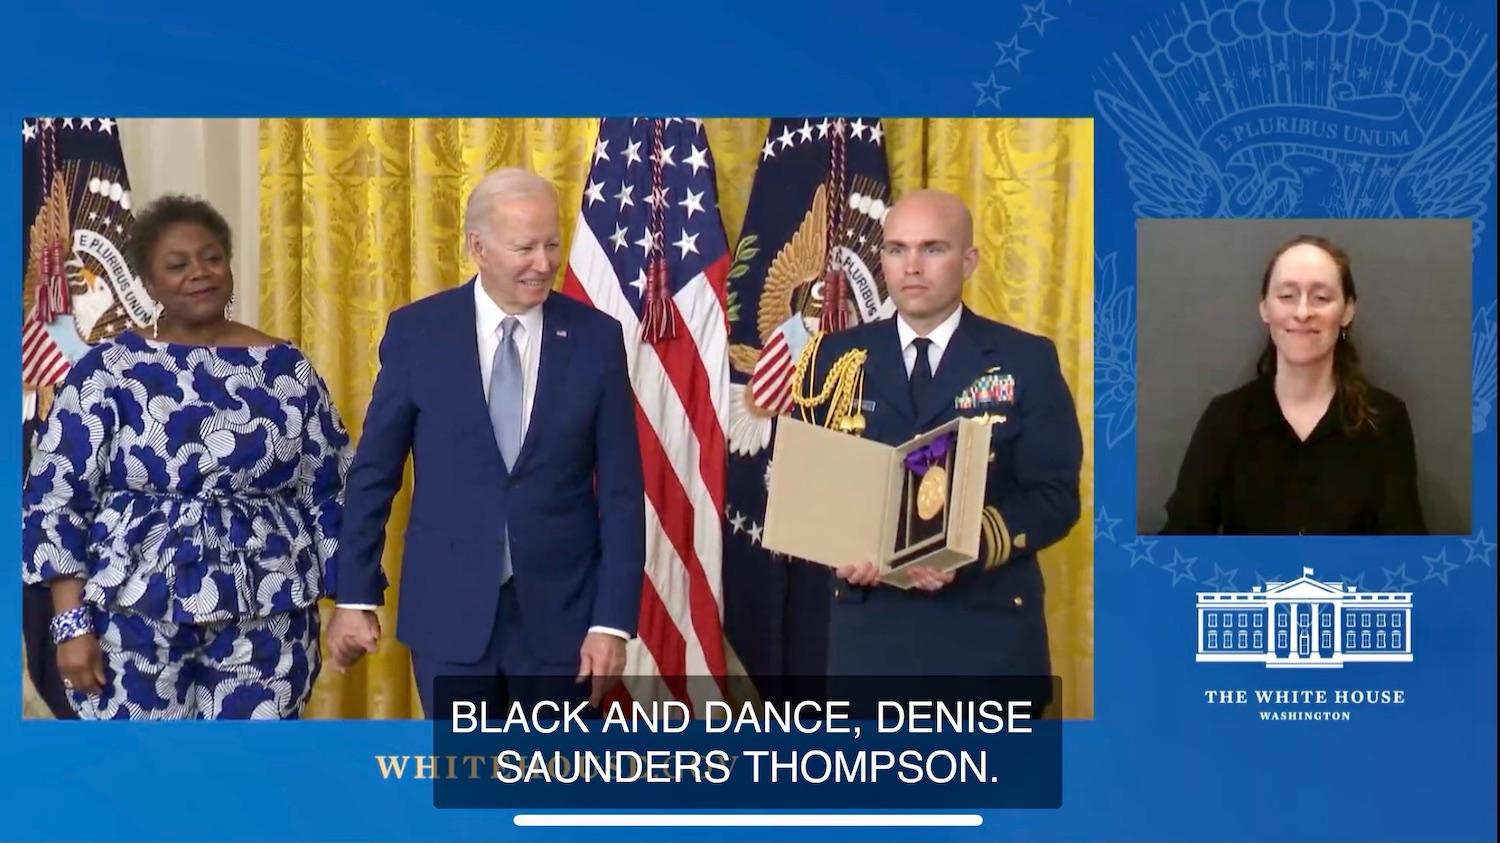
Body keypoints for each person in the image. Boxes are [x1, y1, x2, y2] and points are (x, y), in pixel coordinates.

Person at [327, 168, 645, 717]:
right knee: (469, 789)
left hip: (564, 623)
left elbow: (621, 494)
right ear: (478, 247)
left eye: (551, 244)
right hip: (448, 619)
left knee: (557, 792)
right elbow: (375, 473)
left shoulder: (596, 339)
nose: (544, 263)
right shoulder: (418, 333)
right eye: (525, 247)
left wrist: (610, 622)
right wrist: (354, 595)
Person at [20, 195, 349, 719]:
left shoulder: (289, 369)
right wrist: (70, 625)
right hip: (129, 618)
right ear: (149, 285)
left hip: (269, 616)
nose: (200, 273)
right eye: (178, 265)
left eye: (212, 257)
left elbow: (330, 491)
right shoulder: (109, 369)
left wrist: (350, 603)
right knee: (141, 783)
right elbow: (57, 499)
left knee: (251, 779)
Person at [797, 189, 1082, 681]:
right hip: (870, 640)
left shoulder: (1024, 360)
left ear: (968, 261)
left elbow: (1055, 497)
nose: (912, 266)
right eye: (896, 249)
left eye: (933, 249)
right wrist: (840, 546)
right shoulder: (833, 358)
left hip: (985, 637)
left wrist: (963, 544)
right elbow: (814, 489)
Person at [1161, 235, 1425, 535]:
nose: (1302, 312)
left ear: (1348, 311)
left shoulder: (1385, 420)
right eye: (1287, 296)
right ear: (1264, 309)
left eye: (1321, 297)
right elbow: (1179, 544)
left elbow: (1404, 553)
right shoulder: (1225, 419)